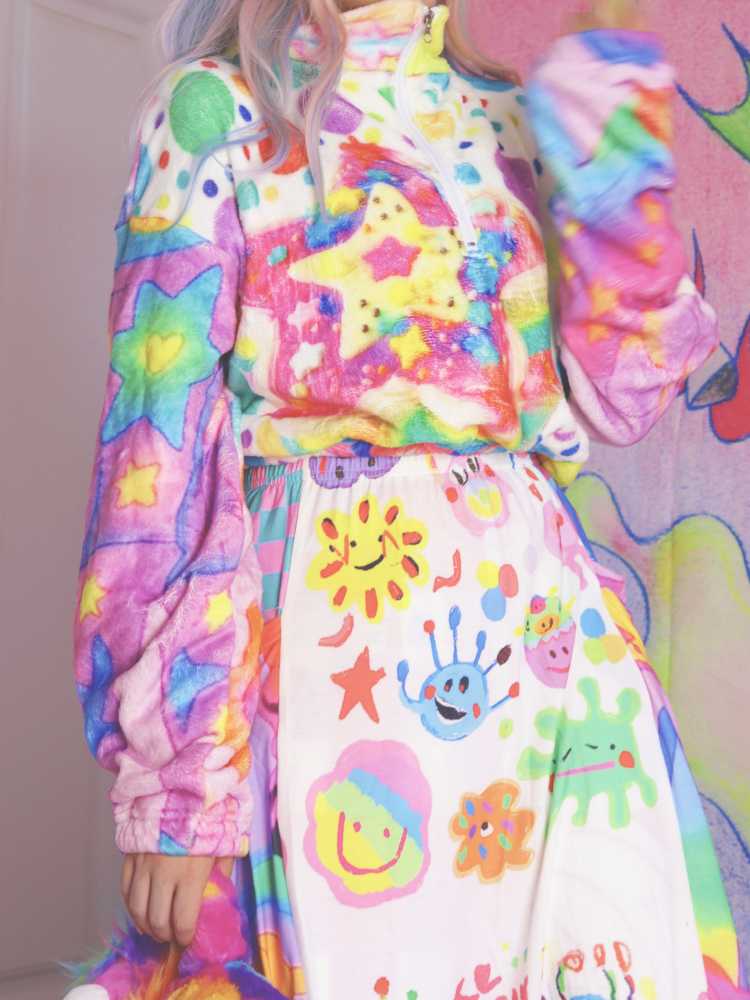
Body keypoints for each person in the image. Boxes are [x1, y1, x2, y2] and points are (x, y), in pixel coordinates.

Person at [64, 0, 748, 997]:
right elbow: (154, 461)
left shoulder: (512, 113)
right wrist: (175, 786)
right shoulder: (215, 111)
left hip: (551, 672)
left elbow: (626, 392)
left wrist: (612, 158)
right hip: (330, 682)